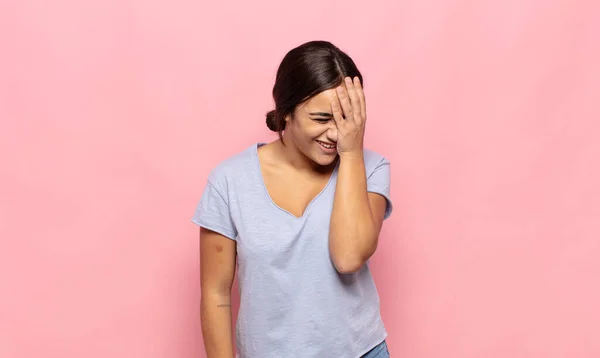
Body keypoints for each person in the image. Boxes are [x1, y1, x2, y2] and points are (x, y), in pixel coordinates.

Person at [191, 40, 393, 358]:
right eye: (322, 118)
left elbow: (348, 257)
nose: (336, 133)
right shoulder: (229, 181)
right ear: (286, 113)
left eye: (346, 119)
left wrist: (352, 152)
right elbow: (216, 292)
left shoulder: (371, 169)